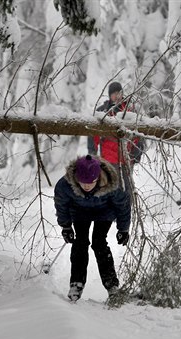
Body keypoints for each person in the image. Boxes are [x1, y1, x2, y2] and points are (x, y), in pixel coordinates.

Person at [54, 154, 131, 301]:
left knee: (99, 242)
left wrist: (123, 229)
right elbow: (61, 205)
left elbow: (123, 206)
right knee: (80, 242)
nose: (87, 186)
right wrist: (66, 227)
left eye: (91, 182)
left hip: (105, 212)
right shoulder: (65, 184)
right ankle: (76, 284)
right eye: (83, 183)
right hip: (79, 212)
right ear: (77, 178)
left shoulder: (112, 183)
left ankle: (111, 285)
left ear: (98, 178)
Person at [87, 81, 144, 193]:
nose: (116, 96)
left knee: (127, 190)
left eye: (118, 93)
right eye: (113, 93)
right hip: (108, 160)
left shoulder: (130, 111)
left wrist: (136, 152)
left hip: (126, 158)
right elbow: (93, 134)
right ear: (109, 96)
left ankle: (128, 210)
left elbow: (137, 134)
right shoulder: (103, 111)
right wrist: (92, 154)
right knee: (110, 189)